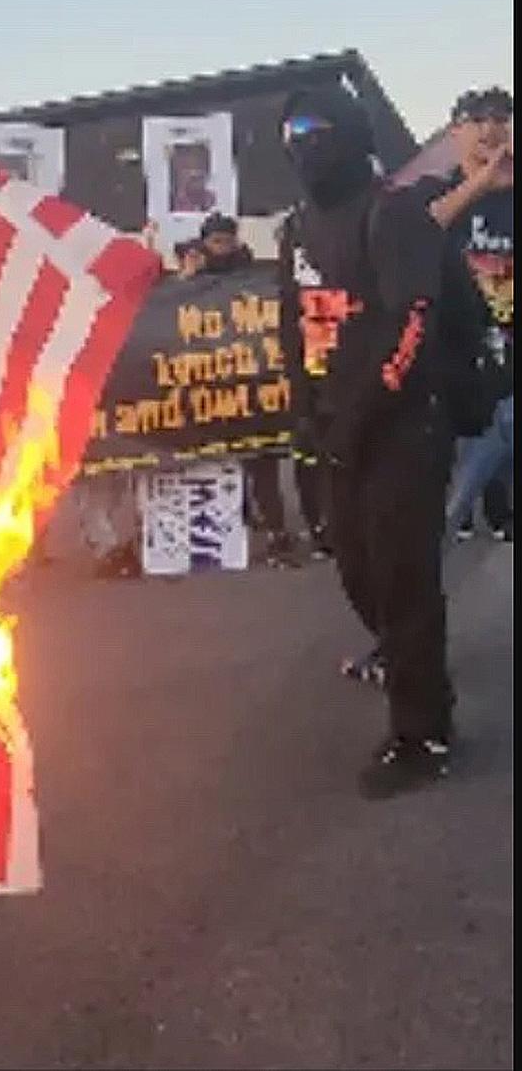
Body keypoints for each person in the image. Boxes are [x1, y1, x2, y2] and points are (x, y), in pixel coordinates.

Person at [278, 83, 460, 799]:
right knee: (354, 566)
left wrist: (356, 421)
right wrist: (303, 418)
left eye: (319, 128)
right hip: (336, 433)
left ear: (351, 133)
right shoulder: (296, 228)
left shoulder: (396, 212)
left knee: (403, 579)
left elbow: (410, 324)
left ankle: (425, 733)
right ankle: (406, 661)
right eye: (293, 131)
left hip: (403, 429)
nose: (304, 142)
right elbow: (292, 328)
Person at [419, 87, 514, 543]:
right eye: (478, 120)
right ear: (454, 132)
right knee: (449, 503)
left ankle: (501, 515)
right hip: (461, 367)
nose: (491, 129)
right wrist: (479, 183)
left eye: (501, 119)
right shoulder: (438, 193)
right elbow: (417, 231)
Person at [197, 214, 298, 568]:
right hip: (217, 385)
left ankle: (276, 529)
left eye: (226, 241)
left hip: (252, 386)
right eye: (215, 242)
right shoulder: (197, 282)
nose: (222, 248)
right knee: (226, 463)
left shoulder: (256, 276)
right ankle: (236, 523)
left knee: (262, 463)